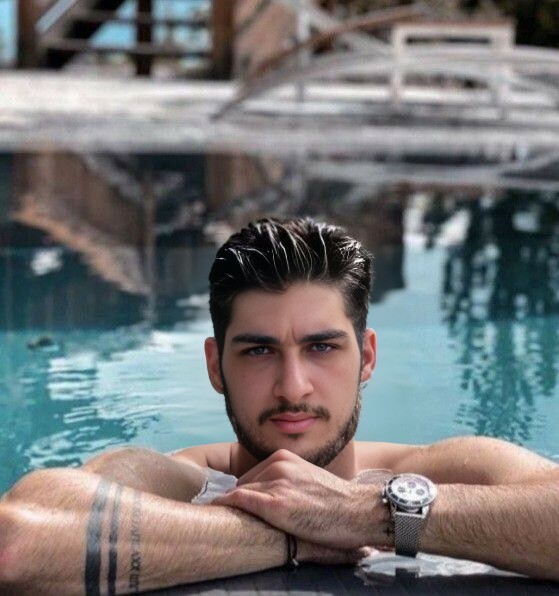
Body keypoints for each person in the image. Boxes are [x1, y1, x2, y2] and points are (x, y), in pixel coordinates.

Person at [1, 217, 558, 595]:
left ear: (366, 357)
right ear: (216, 366)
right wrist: (292, 535)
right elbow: (15, 544)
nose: (293, 387)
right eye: (259, 351)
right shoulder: (177, 481)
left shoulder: (441, 470)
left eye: (321, 348)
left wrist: (362, 514)